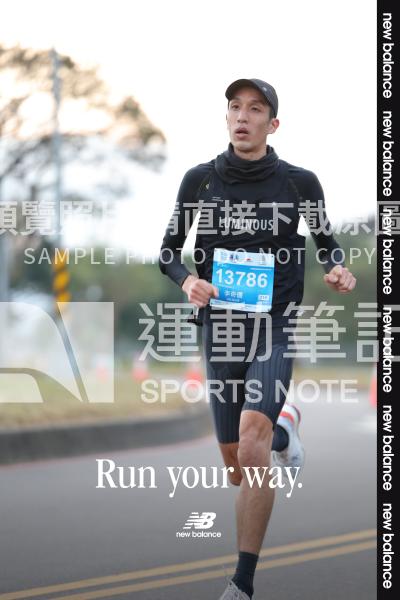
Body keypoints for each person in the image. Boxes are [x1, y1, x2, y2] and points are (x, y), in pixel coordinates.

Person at [159, 78, 356, 600]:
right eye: (235, 107)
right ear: (227, 118)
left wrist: (338, 268)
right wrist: (188, 281)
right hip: (220, 330)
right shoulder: (199, 181)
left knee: (252, 442)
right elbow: (168, 252)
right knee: (237, 466)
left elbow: (327, 243)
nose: (242, 116)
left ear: (273, 124)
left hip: (274, 326)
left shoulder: (299, 183)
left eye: (255, 109)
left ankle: (241, 583)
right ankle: (285, 433)